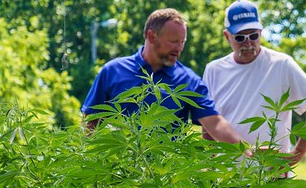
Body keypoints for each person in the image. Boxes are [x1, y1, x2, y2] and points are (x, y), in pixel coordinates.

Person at [81, 7, 245, 145]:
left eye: (182, 42)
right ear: (152, 36)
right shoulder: (113, 71)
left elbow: (215, 124)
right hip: (120, 173)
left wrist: (247, 151)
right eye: (174, 41)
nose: (179, 48)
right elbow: (91, 121)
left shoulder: (188, 81)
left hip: (166, 176)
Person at [203, 0, 306, 166]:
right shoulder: (214, 70)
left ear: (261, 32)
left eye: (253, 36)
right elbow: (207, 123)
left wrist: (297, 153)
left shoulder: (281, 64)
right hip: (228, 175)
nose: (248, 43)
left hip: (270, 174)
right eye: (240, 37)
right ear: (227, 36)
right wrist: (210, 167)